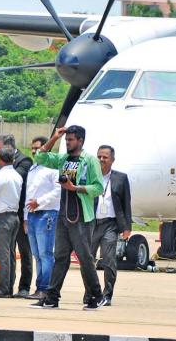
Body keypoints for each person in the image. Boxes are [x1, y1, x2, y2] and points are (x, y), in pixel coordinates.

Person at [30, 125, 105, 310]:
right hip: (63, 215)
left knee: (85, 258)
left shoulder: (89, 160)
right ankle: (52, 297)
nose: (67, 142)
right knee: (60, 257)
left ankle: (96, 295)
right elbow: (40, 157)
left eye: (70, 140)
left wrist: (76, 188)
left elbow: (98, 188)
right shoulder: (64, 158)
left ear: (80, 141)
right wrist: (54, 138)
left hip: (81, 216)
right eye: (66, 139)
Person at [0, 134, 33, 298]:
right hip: (14, 216)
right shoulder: (16, 175)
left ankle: (3, 288)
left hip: (3, 218)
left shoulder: (4, 174)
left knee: (3, 254)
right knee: (10, 254)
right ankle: (8, 287)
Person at [86, 145, 131, 307]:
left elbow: (127, 203)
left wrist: (127, 227)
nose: (101, 160)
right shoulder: (90, 176)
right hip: (91, 224)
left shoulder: (121, 178)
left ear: (112, 160)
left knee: (109, 260)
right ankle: (90, 293)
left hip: (110, 224)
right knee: (88, 260)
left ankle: (107, 295)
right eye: (99, 156)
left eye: (105, 157)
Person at [24, 136, 61, 300]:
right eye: (32, 148)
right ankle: (39, 287)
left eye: (38, 148)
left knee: (46, 254)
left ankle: (45, 288)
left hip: (47, 214)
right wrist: (26, 217)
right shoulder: (33, 169)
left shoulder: (53, 169)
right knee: (37, 254)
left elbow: (59, 191)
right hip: (32, 216)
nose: (34, 151)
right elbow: (28, 195)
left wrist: (40, 202)